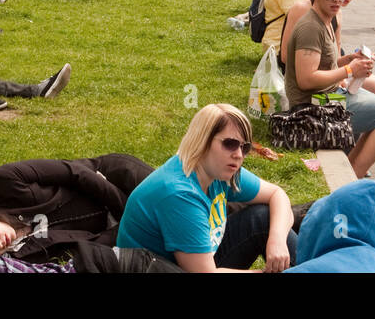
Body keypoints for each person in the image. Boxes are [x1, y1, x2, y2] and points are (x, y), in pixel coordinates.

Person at [116, 103, 297, 272]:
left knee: (262, 217)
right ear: (202, 141)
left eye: (245, 147)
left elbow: (277, 194)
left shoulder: (218, 168)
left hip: (201, 259)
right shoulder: (180, 195)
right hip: (169, 268)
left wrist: (277, 240)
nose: (239, 155)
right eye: (230, 144)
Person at [0, 154, 168, 273]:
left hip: (112, 180)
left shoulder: (4, 181)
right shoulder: (19, 259)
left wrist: (130, 210)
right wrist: (127, 227)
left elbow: (75, 173)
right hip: (117, 230)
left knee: (171, 202)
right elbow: (89, 247)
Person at [282, 0, 375, 178]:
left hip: (327, 96)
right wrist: (350, 69)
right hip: (314, 105)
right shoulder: (311, 28)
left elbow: (324, 65)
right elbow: (306, 80)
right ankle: (353, 176)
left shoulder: (324, 21)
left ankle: (350, 167)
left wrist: (348, 59)